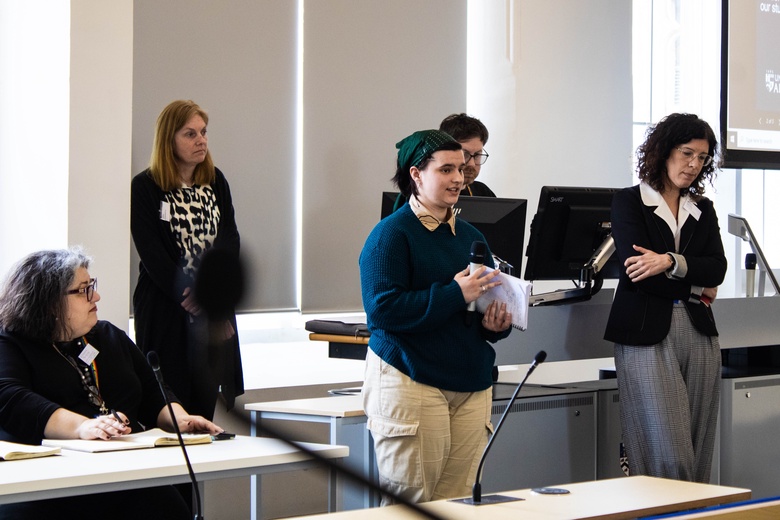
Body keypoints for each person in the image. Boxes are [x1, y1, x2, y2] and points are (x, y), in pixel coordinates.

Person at [0, 248, 224, 519]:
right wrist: (82, 426)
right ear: (48, 303)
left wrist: (180, 419)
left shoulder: (108, 336)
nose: (95, 296)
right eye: (83, 290)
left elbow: (152, 390)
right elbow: (10, 397)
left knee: (167, 504)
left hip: (123, 475)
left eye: (91, 286)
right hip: (50, 486)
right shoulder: (11, 342)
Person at [359, 129, 513, 504]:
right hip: (412, 378)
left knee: (460, 502)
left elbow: (475, 310)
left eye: (461, 168)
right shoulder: (390, 236)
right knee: (411, 503)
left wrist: (494, 325)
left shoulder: (471, 236)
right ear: (416, 175)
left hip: (470, 381)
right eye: (446, 169)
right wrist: (454, 293)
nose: (459, 178)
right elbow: (383, 310)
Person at [604, 113, 727, 483]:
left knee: (698, 450)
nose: (693, 165)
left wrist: (669, 261)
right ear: (662, 151)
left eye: (702, 158)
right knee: (668, 454)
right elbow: (639, 275)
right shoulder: (629, 202)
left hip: (699, 331)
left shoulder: (702, 209)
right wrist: (694, 284)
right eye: (687, 153)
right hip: (646, 329)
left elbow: (718, 269)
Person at [131, 99, 243, 421]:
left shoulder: (216, 181)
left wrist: (211, 297)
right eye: (190, 134)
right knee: (170, 405)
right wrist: (189, 294)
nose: (201, 140)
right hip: (166, 308)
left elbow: (229, 239)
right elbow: (151, 252)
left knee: (205, 407)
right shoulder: (146, 187)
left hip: (212, 311)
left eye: (204, 132)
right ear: (170, 140)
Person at [439, 113, 496, 197]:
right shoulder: (430, 195)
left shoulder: (483, 193)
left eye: (477, 155)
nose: (471, 164)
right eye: (464, 154)